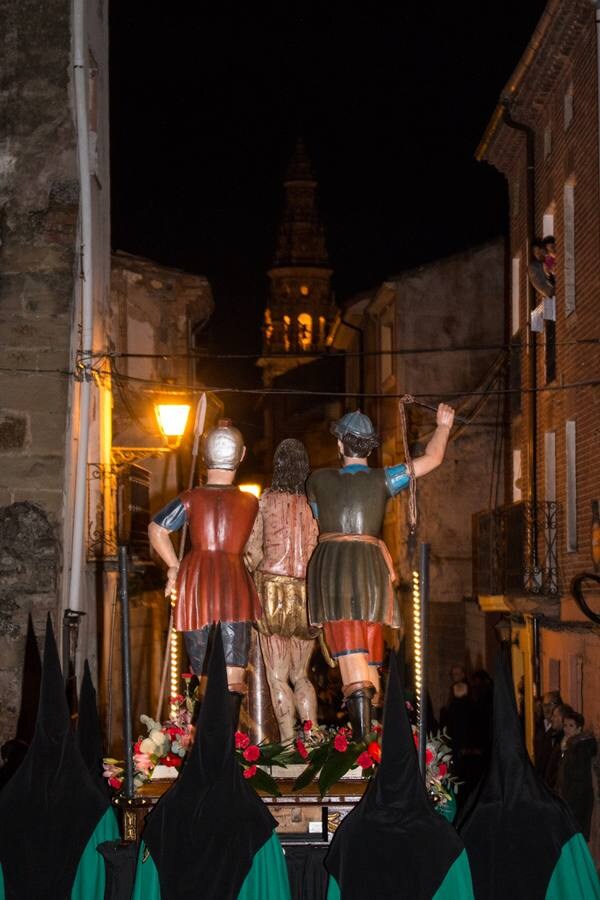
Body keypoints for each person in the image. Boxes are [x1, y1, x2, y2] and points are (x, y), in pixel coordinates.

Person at [306, 403, 455, 739]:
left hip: (334, 569)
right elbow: (432, 459)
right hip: (373, 569)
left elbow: (318, 522)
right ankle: (374, 740)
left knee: (350, 653)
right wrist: (443, 425)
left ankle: (362, 747)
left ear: (341, 445)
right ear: (370, 448)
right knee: (371, 656)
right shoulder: (384, 479)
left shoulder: (317, 480)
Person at [148, 419, 262, 725]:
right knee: (233, 676)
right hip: (235, 584)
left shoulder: (190, 498)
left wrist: (174, 565)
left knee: (205, 678)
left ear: (204, 457)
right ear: (241, 455)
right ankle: (228, 748)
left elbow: (156, 528)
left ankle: (207, 749)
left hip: (196, 583)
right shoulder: (251, 502)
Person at [246, 438, 319, 743]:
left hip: (271, 593)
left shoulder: (263, 502)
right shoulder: (315, 505)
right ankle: (313, 739)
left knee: (277, 676)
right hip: (306, 594)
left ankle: (289, 744)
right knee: (300, 675)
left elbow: (253, 553)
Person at [557, 709, 597, 841]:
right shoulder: (571, 746)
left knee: (575, 840)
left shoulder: (579, 749)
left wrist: (568, 804)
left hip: (576, 802)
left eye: (571, 726)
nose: (567, 729)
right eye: (565, 725)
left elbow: (578, 779)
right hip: (570, 801)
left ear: (579, 729)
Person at [535, 689, 563, 775]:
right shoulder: (540, 727)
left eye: (550, 704)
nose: (546, 709)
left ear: (558, 706)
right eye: (544, 705)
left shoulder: (560, 730)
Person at [544, 702, 567, 790]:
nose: (551, 719)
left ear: (562, 719)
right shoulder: (553, 736)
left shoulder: (564, 741)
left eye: (554, 716)